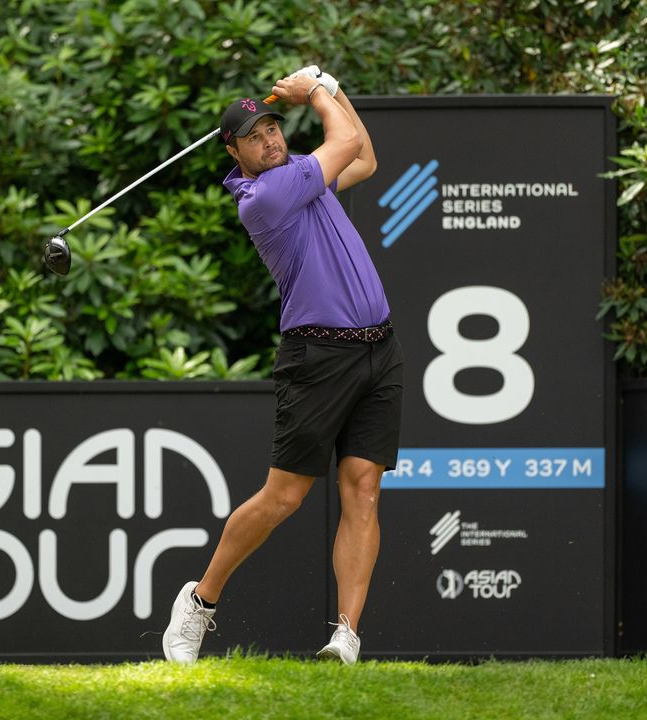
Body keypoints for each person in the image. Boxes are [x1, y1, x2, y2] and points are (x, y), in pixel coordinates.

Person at [162, 66, 403, 665]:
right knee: (284, 497)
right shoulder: (268, 196)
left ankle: (345, 636)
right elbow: (345, 143)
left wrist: (334, 88)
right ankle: (200, 600)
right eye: (255, 135)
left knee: (364, 490)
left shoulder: (303, 178)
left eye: (274, 127)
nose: (270, 140)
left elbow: (365, 157)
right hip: (317, 355)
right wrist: (317, 91)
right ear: (233, 151)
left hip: (379, 348)